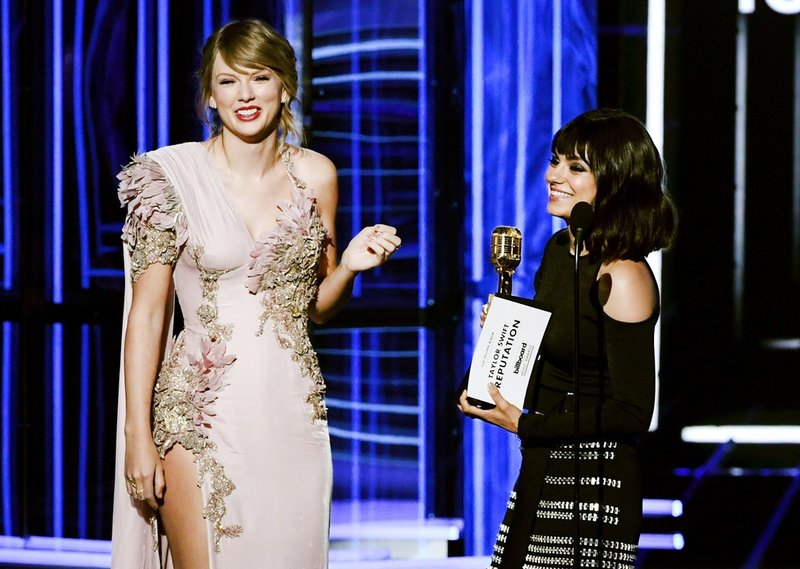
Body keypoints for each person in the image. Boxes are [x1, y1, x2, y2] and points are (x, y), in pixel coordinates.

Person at [110, 18, 401, 569]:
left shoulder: (316, 175)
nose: (245, 95)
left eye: (259, 78)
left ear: (284, 85)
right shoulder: (169, 175)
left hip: (292, 415)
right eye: (228, 82)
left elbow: (316, 308)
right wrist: (137, 435)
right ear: (209, 96)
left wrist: (350, 270)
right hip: (198, 416)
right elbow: (147, 317)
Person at [458, 108, 677, 568]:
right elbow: (558, 359)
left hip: (595, 481)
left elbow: (633, 412)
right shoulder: (561, 251)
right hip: (541, 462)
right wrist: (506, 337)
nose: (554, 175)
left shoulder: (624, 275)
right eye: (556, 160)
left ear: (615, 181)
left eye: (576, 167)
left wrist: (526, 424)